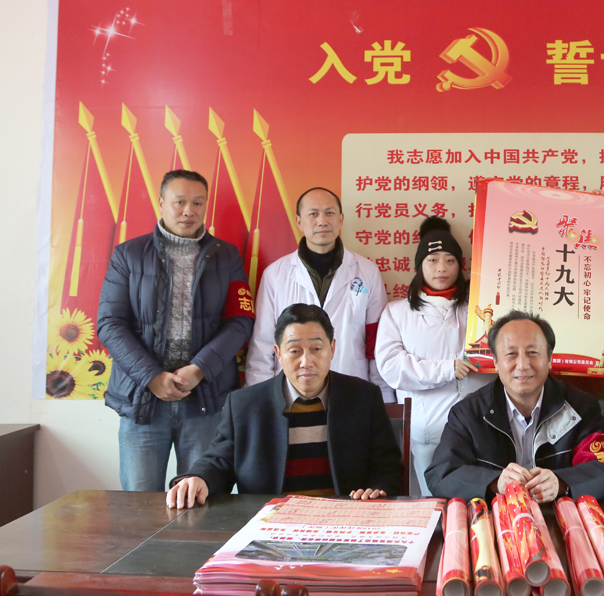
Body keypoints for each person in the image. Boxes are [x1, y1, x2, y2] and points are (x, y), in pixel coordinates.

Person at [98, 170, 255, 492]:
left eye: (198, 203)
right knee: (139, 505)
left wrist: (199, 369)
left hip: (205, 400)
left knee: (203, 502)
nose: (189, 211)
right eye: (179, 202)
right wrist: (152, 377)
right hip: (143, 400)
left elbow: (241, 320)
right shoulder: (128, 254)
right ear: (161, 203)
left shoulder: (227, 256)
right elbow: (110, 324)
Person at [166, 304, 402, 508]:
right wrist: (199, 478)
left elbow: (387, 466)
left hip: (344, 522)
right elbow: (218, 463)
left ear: (332, 348)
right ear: (278, 353)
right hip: (270, 526)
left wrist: (377, 490)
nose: (306, 362)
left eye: (316, 349)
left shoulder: (363, 397)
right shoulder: (245, 405)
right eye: (295, 351)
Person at [425, 311, 604, 503]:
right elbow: (441, 474)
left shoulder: (581, 408)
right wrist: (494, 483)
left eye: (532, 353)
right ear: (495, 361)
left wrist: (562, 482)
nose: (522, 365)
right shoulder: (468, 413)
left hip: (559, 516)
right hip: (496, 519)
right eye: (511, 354)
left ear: (549, 359)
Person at [375, 217, 494, 496]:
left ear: (460, 266)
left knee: (481, 502)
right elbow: (391, 366)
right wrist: (446, 369)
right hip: (429, 430)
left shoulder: (481, 309)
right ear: (419, 266)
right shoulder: (397, 312)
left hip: (482, 428)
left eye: (450, 260)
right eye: (432, 260)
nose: (442, 268)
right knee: (434, 505)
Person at [245, 187, 392, 401]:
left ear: (341, 219)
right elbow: (263, 343)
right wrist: (258, 399)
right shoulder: (275, 275)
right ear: (299, 221)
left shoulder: (367, 271)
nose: (322, 221)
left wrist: (383, 397)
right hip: (291, 391)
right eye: (313, 214)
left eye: (329, 213)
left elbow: (376, 342)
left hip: (351, 386)